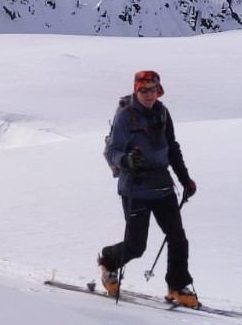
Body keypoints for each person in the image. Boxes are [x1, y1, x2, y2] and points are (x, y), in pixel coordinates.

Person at [98, 69, 200, 307]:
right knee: (136, 246)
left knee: (177, 238)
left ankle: (177, 285)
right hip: (135, 187)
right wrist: (126, 161)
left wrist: (185, 179)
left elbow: (172, 148)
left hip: (162, 186)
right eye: (144, 90)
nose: (149, 94)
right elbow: (113, 150)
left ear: (158, 90)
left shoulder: (163, 113)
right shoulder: (125, 116)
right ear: (137, 89)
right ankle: (109, 262)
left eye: (153, 89)